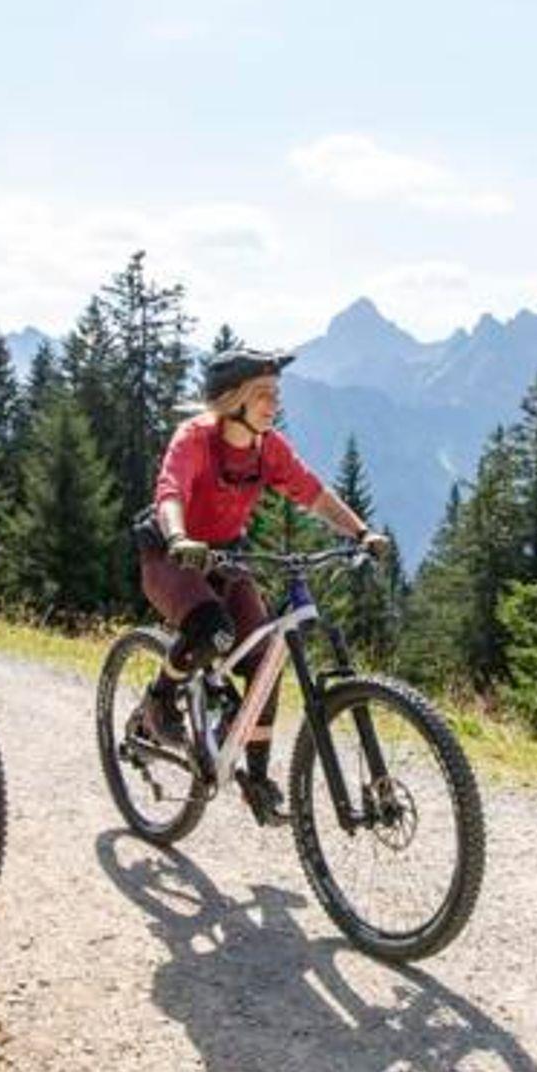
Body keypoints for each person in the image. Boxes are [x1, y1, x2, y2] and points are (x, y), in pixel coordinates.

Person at [134, 347, 388, 825]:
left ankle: (256, 778)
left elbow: (313, 492)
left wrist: (360, 532)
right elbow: (170, 493)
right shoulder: (195, 439)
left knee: (267, 660)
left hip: (227, 560)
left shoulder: (268, 448)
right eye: (264, 394)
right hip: (172, 555)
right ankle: (160, 699)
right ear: (234, 400)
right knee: (212, 630)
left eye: (276, 393)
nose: (275, 403)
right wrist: (179, 537)